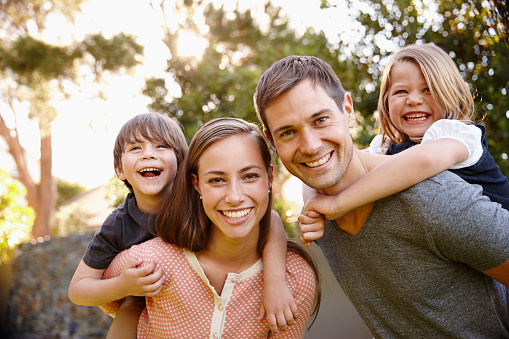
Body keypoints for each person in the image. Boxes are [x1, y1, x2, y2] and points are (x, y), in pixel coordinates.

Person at [254, 55, 509, 337]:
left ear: (347, 111)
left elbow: (423, 162)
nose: (311, 146)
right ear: (272, 142)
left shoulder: (433, 199)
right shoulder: (318, 210)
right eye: (288, 132)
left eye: (321, 119)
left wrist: (335, 204)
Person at [68, 113, 296, 336]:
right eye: (136, 148)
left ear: (181, 163)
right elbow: (78, 290)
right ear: (119, 169)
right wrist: (124, 286)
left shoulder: (200, 202)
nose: (148, 155)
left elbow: (271, 221)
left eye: (161, 147)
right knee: (130, 310)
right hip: (142, 297)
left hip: (198, 291)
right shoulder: (117, 224)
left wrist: (275, 283)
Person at [298, 43, 509, 244]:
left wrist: (337, 205)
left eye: (428, 89)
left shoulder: (459, 136)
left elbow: (422, 160)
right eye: (401, 92)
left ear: (451, 94)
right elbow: (332, 167)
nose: (414, 100)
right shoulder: (383, 146)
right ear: (386, 102)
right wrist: (313, 208)